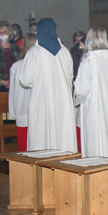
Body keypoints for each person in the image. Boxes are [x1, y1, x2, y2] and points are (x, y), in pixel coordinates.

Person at [16, 18, 77, 152]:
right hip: (62, 102)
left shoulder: (34, 52)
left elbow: (25, 80)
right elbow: (70, 78)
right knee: (62, 135)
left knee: (41, 135)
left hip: (41, 100)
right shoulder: (65, 52)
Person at [73, 27, 108, 176]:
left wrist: (76, 94)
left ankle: (97, 177)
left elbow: (81, 90)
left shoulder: (88, 61)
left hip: (94, 110)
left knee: (96, 141)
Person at [8, 33, 37, 152]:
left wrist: (13, 113)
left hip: (23, 110)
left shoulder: (17, 66)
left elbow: (13, 93)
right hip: (33, 111)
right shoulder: (17, 66)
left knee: (26, 147)